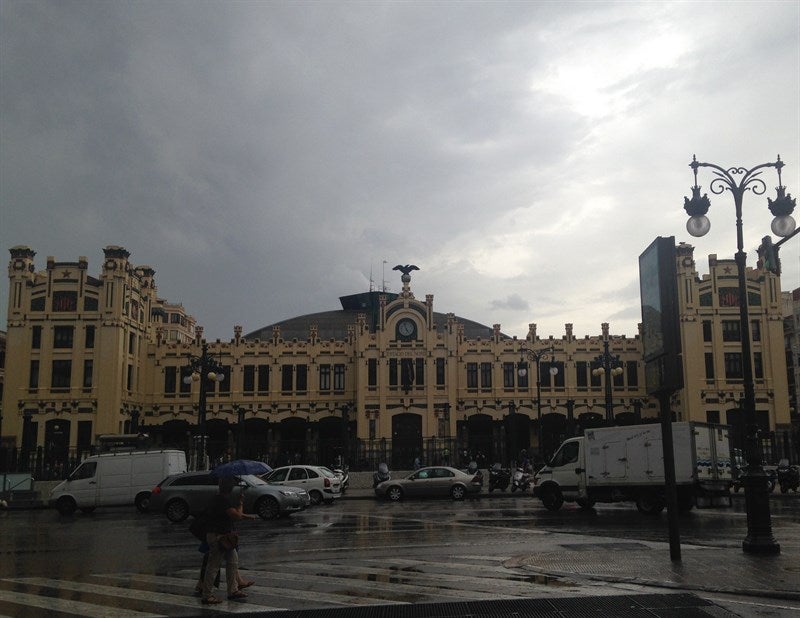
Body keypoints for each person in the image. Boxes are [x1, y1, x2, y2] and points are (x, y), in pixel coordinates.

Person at [200, 477, 257, 605]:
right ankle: (207, 595)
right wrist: (240, 503)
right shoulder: (222, 500)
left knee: (232, 562)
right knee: (213, 566)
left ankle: (233, 590)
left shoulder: (217, 498)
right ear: (230, 488)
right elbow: (236, 516)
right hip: (219, 537)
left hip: (225, 537)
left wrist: (245, 515)